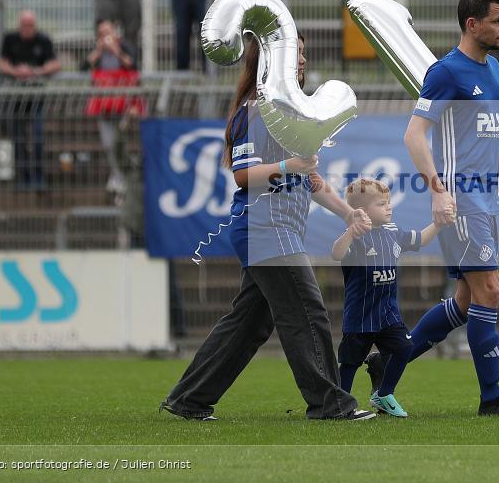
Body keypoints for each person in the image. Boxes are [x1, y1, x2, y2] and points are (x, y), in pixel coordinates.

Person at [160, 35, 375, 421]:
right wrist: (290, 166)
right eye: (296, 53)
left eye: (304, 53)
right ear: (271, 62)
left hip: (276, 230)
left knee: (248, 324)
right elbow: (243, 175)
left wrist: (347, 213)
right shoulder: (256, 111)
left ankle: (188, 399)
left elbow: (310, 180)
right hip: (264, 227)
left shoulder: (289, 114)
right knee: (307, 311)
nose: (303, 60)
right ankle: (329, 404)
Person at [392, 0, 499, 416]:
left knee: (466, 301)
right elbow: (414, 135)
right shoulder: (445, 73)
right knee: (490, 291)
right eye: (498, 20)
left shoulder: (493, 69)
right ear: (472, 24)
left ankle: (391, 359)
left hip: (487, 200)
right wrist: (438, 192)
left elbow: (496, 136)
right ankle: (491, 398)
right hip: (461, 200)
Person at [331, 178, 445, 418]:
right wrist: (350, 231)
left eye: (388, 202)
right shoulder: (356, 236)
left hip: (388, 314)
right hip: (360, 315)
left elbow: (421, 239)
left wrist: (438, 223)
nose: (389, 207)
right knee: (350, 362)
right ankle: (340, 404)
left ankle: (383, 394)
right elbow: (336, 253)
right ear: (362, 210)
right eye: (382, 204)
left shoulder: (393, 232)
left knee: (405, 348)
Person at [0, 10, 61, 190]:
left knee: (38, 137)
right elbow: (1, 64)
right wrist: (17, 72)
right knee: (18, 140)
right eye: (24, 24)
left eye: (30, 25)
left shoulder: (43, 40)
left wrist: (34, 72)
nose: (27, 28)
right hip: (15, 99)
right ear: (19, 24)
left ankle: (38, 177)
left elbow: (55, 64)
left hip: (36, 98)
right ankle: (23, 178)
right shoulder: (10, 39)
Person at [81, 19, 139, 194]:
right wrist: (99, 51)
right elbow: (83, 67)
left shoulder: (124, 47)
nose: (105, 36)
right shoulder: (97, 52)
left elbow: (133, 65)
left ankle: (120, 176)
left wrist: (116, 51)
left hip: (123, 104)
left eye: (108, 32)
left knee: (119, 141)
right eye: (101, 34)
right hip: (103, 104)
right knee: (108, 142)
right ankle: (118, 175)